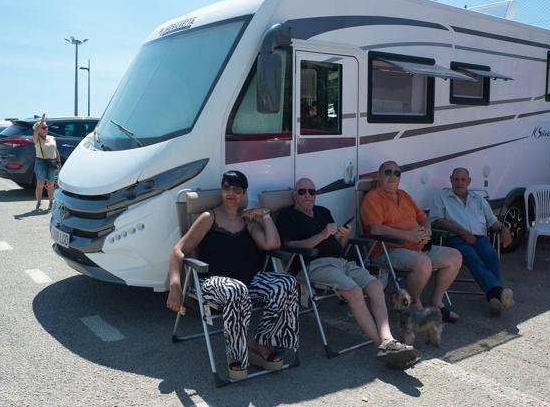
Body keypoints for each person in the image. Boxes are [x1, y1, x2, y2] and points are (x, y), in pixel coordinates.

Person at [166, 170, 299, 380]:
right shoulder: (208, 218)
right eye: (227, 187)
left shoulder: (247, 220)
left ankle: (260, 343)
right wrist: (175, 285)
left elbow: (272, 244)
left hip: (249, 280)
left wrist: (264, 216)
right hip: (214, 282)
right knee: (236, 289)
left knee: (287, 283)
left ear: (243, 193)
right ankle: (235, 354)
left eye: (237, 189)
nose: (231, 193)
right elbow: (178, 251)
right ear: (222, 189)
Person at [276, 178, 417, 369]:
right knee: (354, 291)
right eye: (302, 192)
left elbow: (339, 247)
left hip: (341, 262)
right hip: (314, 265)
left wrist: (344, 237)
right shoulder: (287, 215)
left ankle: (388, 338)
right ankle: (384, 346)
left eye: (312, 191)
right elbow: (291, 246)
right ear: (295, 195)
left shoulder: (323, 212)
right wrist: (322, 235)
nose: (307, 195)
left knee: (375, 285)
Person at [361, 161, 463, 322]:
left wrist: (427, 230)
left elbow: (423, 218)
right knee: (423, 263)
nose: (393, 176)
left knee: (455, 256)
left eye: (397, 173)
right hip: (389, 250)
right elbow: (375, 229)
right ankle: (414, 303)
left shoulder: (404, 195)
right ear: (379, 176)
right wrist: (408, 235)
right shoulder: (372, 198)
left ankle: (436, 301)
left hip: (418, 245)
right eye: (388, 172)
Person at [430, 168, 514, 314]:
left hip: (479, 238)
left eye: (463, 180)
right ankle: (498, 293)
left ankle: (494, 297)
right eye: (456, 179)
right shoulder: (442, 196)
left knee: (491, 255)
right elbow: (437, 220)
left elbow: (492, 221)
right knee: (472, 258)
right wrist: (461, 232)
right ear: (451, 180)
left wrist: (504, 229)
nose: (459, 183)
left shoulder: (478, 199)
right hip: (456, 238)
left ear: (469, 181)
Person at [32, 114, 61, 210]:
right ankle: (38, 202)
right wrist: (41, 122)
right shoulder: (37, 139)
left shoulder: (51, 138)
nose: (46, 129)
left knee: (51, 184)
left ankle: (51, 203)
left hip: (51, 162)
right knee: (40, 183)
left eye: (46, 127)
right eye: (43, 127)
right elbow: (35, 131)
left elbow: (55, 150)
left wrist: (59, 162)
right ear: (39, 129)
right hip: (41, 162)